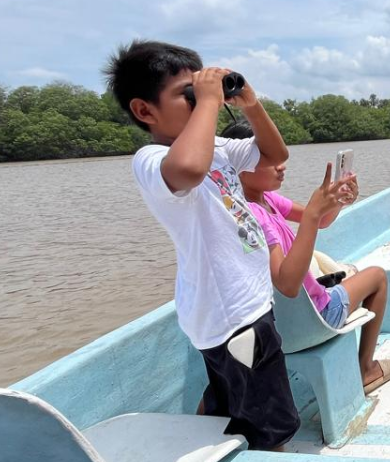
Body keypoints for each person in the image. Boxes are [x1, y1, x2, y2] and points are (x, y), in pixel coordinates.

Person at [105, 40, 298, 450]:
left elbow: (274, 154)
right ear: (145, 111)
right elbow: (189, 169)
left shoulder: (220, 149)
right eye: (188, 94)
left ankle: (214, 428)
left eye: (201, 91)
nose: (200, 101)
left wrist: (250, 105)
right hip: (233, 315)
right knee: (270, 426)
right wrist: (210, 101)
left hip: (239, 305)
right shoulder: (151, 159)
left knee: (231, 399)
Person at [222, 122, 390, 394]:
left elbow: (320, 220)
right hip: (314, 318)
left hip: (276, 326)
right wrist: (314, 214)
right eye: (269, 158)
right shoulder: (257, 216)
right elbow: (286, 282)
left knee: (346, 273)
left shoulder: (258, 203)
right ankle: (366, 369)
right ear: (240, 164)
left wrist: (338, 200)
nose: (281, 165)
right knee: (377, 277)